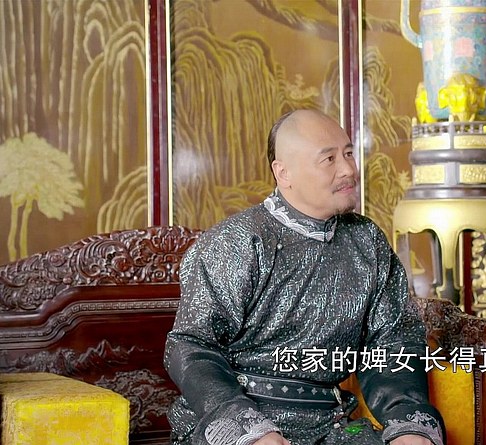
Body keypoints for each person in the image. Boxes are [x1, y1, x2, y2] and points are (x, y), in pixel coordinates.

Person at [164, 109, 445, 445]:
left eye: (348, 153)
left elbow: (392, 343)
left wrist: (409, 425)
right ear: (284, 172)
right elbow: (191, 345)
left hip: (331, 425)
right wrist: (247, 430)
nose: (348, 169)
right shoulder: (238, 241)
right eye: (329, 159)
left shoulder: (367, 240)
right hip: (244, 421)